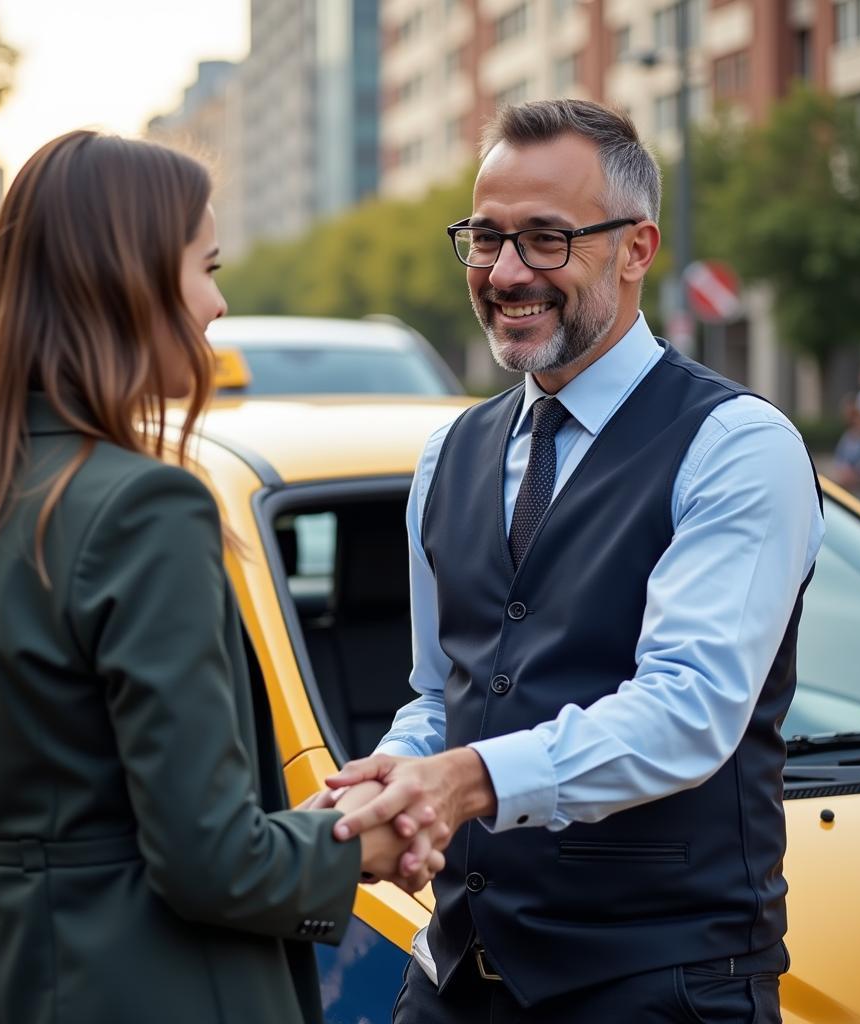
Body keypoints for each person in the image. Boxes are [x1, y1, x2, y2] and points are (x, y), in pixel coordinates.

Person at [0, 130, 441, 1024]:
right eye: (204, 267)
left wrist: (48, 886)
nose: (217, 305)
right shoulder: (145, 509)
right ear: (126, 284)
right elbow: (214, 859)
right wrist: (363, 843)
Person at [324, 100, 824, 1023]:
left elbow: (687, 709)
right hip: (451, 983)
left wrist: (465, 780)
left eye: (547, 239)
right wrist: (391, 781)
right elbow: (444, 692)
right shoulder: (448, 456)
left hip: (660, 989)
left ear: (637, 248)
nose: (506, 272)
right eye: (485, 238)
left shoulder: (737, 445)